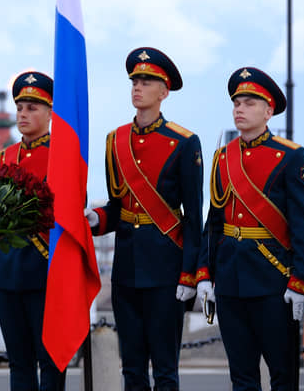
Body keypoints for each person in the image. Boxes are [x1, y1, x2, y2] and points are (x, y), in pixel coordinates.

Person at [85, 47, 202, 391]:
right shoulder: (114, 140)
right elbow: (118, 207)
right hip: (126, 270)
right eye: (134, 80)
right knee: (132, 370)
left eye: (147, 81)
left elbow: (194, 217)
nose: (137, 86)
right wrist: (96, 218)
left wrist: (190, 275)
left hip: (167, 269)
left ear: (163, 92)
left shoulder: (183, 142)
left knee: (165, 371)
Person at [196, 67, 304, 390]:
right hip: (231, 282)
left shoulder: (291, 157)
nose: (239, 109)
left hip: (275, 283)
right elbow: (215, 223)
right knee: (242, 377)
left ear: (268, 110)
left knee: (283, 375)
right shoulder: (223, 157)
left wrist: (301, 281)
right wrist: (204, 273)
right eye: (237, 103)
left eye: (249, 103)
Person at [0, 70, 64, 391]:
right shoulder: (3, 157)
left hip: (46, 274)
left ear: (50, 112)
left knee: (50, 364)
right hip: (8, 275)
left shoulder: (63, 157)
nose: (22, 114)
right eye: (20, 107)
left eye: (32, 108)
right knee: (19, 365)